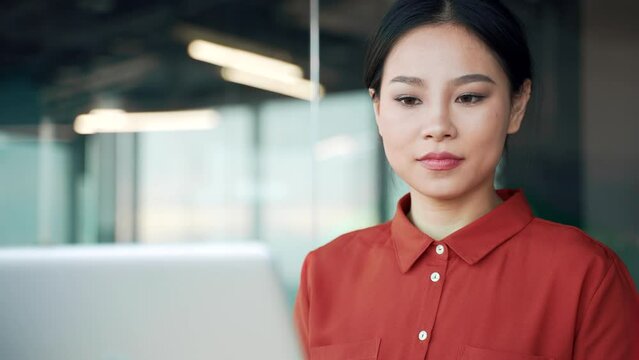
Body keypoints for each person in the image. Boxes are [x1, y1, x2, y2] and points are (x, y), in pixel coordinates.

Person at [293, 0, 639, 359]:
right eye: (409, 99)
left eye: (469, 97)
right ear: (378, 110)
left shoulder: (587, 276)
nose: (439, 127)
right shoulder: (324, 273)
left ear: (517, 106)